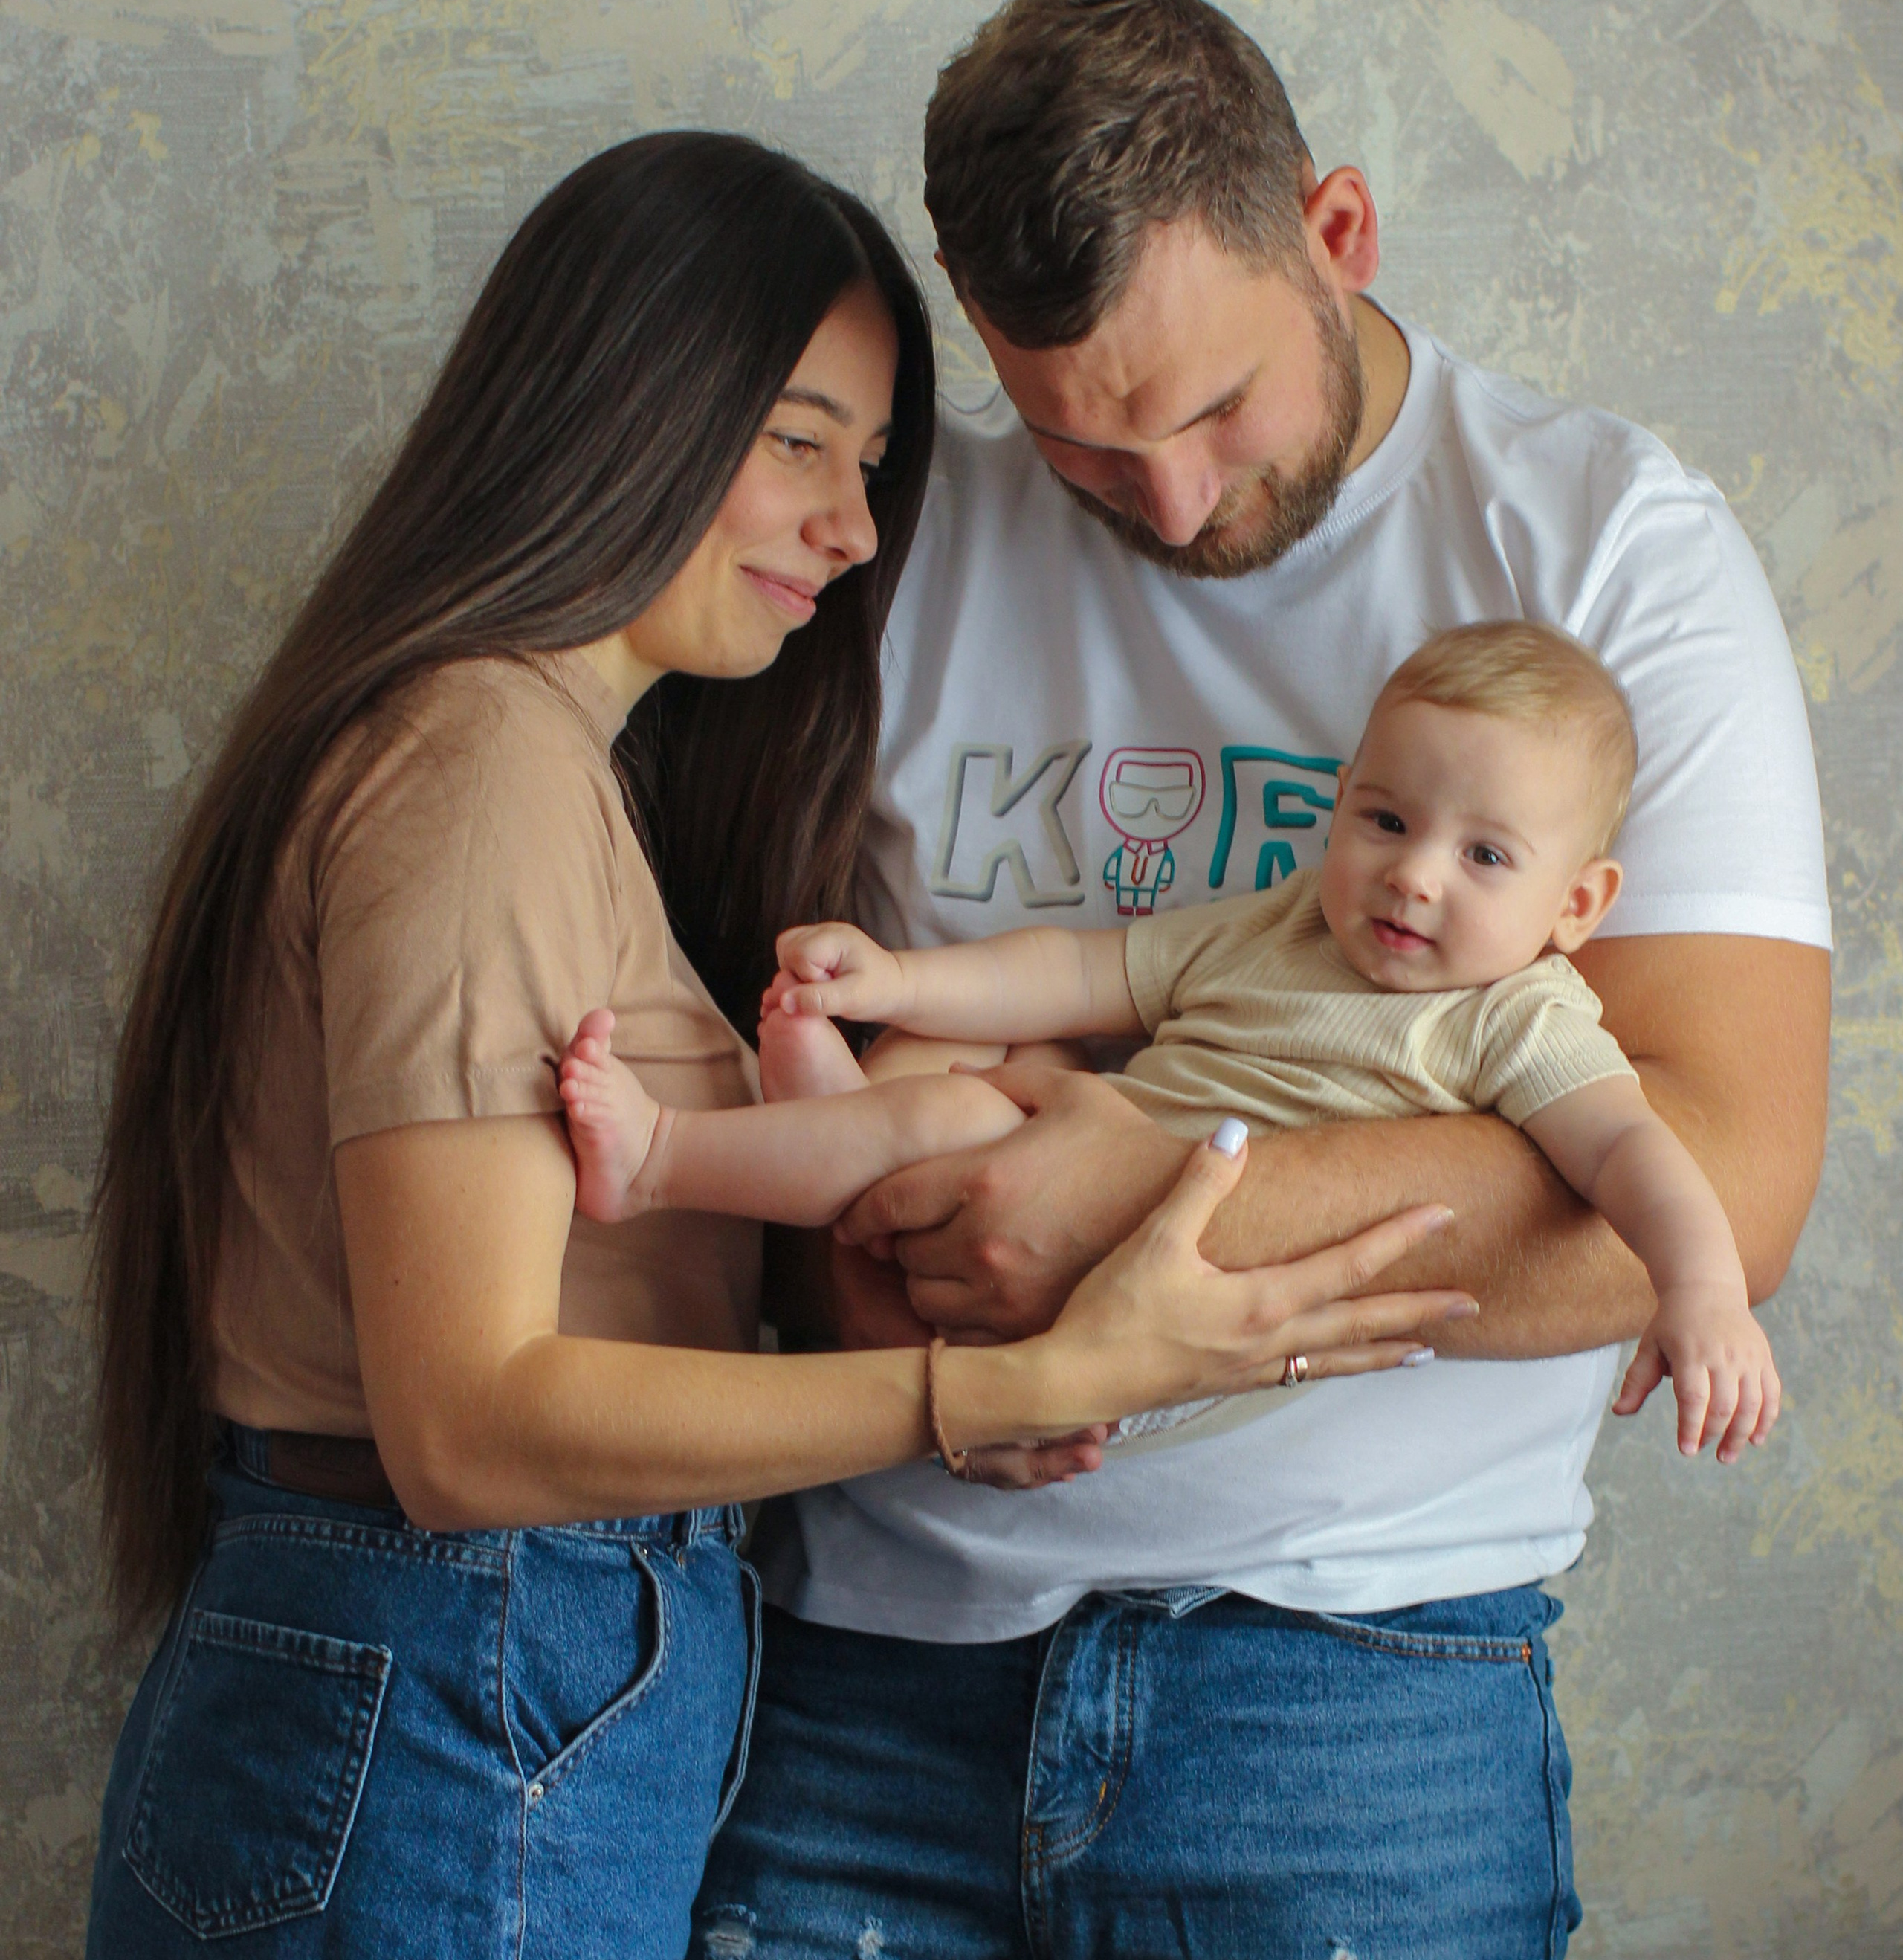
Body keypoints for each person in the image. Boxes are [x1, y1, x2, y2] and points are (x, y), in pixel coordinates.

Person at [48, 129, 1463, 1960]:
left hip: (406, 1713)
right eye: (797, 439)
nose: (845, 525)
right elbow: (475, 1421)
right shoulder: (487, 765)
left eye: (874, 463)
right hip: (461, 1719)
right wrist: (970, 1398)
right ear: (611, 399)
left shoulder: (509, 766)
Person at [604, 0, 1830, 1960]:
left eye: (1211, 411)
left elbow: (1713, 1174)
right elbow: (761, 1025)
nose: (1156, 498)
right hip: (871, 1681)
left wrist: (1114, 1223)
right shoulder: (890, 539)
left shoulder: (1603, 548)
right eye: (1076, 437)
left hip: (1354, 1704)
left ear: (1337, 231)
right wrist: (905, 1272)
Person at [558, 620, 1780, 1464]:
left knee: (961, 1115)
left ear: (1577, 905)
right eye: (1385, 821)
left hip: (1168, 1318)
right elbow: (1081, 970)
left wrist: (1703, 1291)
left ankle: (660, 1160)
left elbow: (1631, 1152)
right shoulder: (1283, 925)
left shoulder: (1517, 1016)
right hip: (1052, 1235)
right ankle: (840, 1127)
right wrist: (899, 977)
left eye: (1486, 855)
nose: (1415, 875)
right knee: (952, 1068)